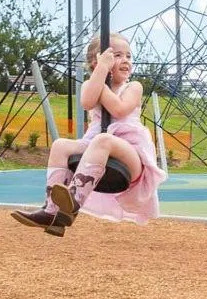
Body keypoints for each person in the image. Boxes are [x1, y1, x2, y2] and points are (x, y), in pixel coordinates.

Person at [11, 32, 166, 237]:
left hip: (130, 154)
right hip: (97, 145)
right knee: (60, 145)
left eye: (128, 56)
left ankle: (73, 200)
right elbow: (87, 102)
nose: (126, 60)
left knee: (104, 140)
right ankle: (51, 211)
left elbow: (119, 110)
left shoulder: (133, 87)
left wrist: (102, 83)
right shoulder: (90, 84)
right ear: (96, 63)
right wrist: (102, 72)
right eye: (118, 55)